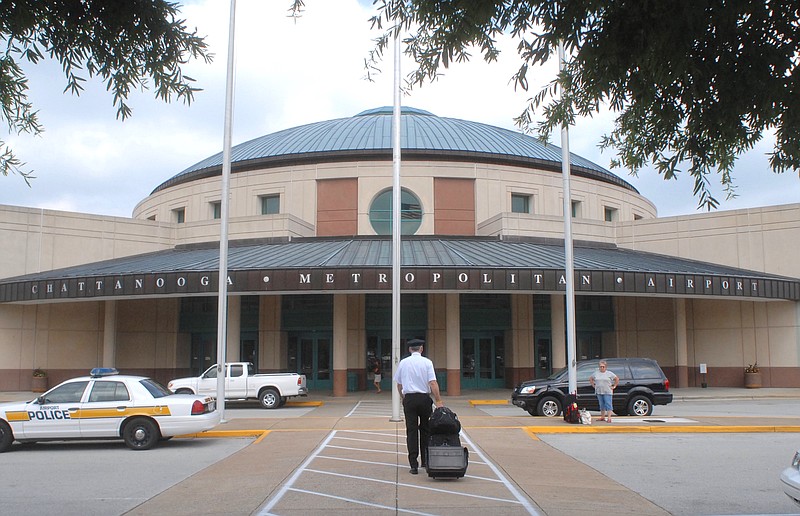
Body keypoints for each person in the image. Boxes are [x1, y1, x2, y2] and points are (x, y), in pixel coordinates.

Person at [394, 338, 444, 474]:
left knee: (411, 431)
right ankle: (426, 461)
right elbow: (432, 383)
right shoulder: (427, 362)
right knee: (426, 430)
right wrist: (438, 400)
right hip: (424, 398)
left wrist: (403, 398)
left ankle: (413, 464)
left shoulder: (403, 363)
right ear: (421, 349)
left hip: (409, 398)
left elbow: (399, 384)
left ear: (410, 349)